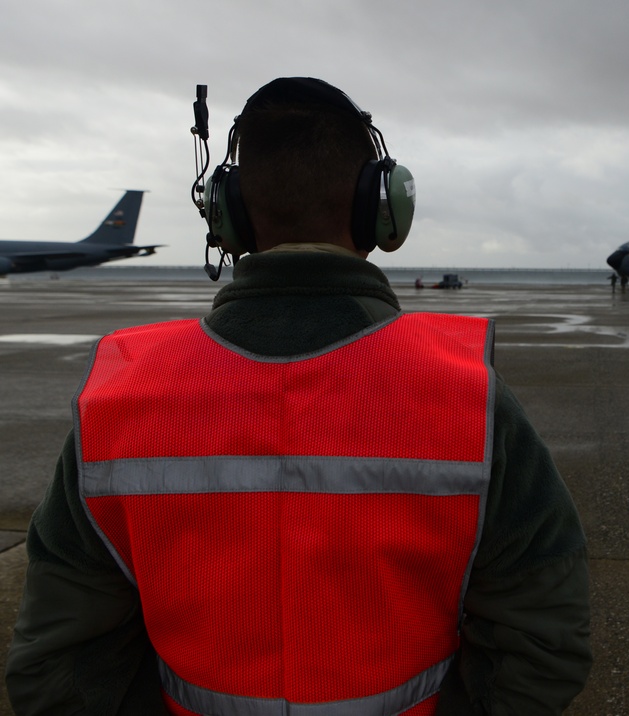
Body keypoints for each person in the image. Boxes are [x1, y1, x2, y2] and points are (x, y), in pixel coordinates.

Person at [6, 78, 591, 715]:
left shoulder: (119, 397)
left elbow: (58, 667)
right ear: (381, 208)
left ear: (225, 214)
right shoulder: (470, 396)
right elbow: (544, 641)